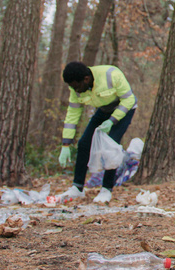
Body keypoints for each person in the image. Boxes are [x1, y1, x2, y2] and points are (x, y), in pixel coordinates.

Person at [55, 62, 137, 203]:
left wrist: (112, 120)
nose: (76, 91)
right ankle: (77, 187)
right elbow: (72, 114)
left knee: (110, 146)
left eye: (77, 87)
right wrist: (66, 144)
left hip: (124, 108)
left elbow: (128, 99)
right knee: (84, 143)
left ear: (86, 79)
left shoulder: (112, 75)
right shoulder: (76, 89)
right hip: (103, 110)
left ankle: (106, 189)